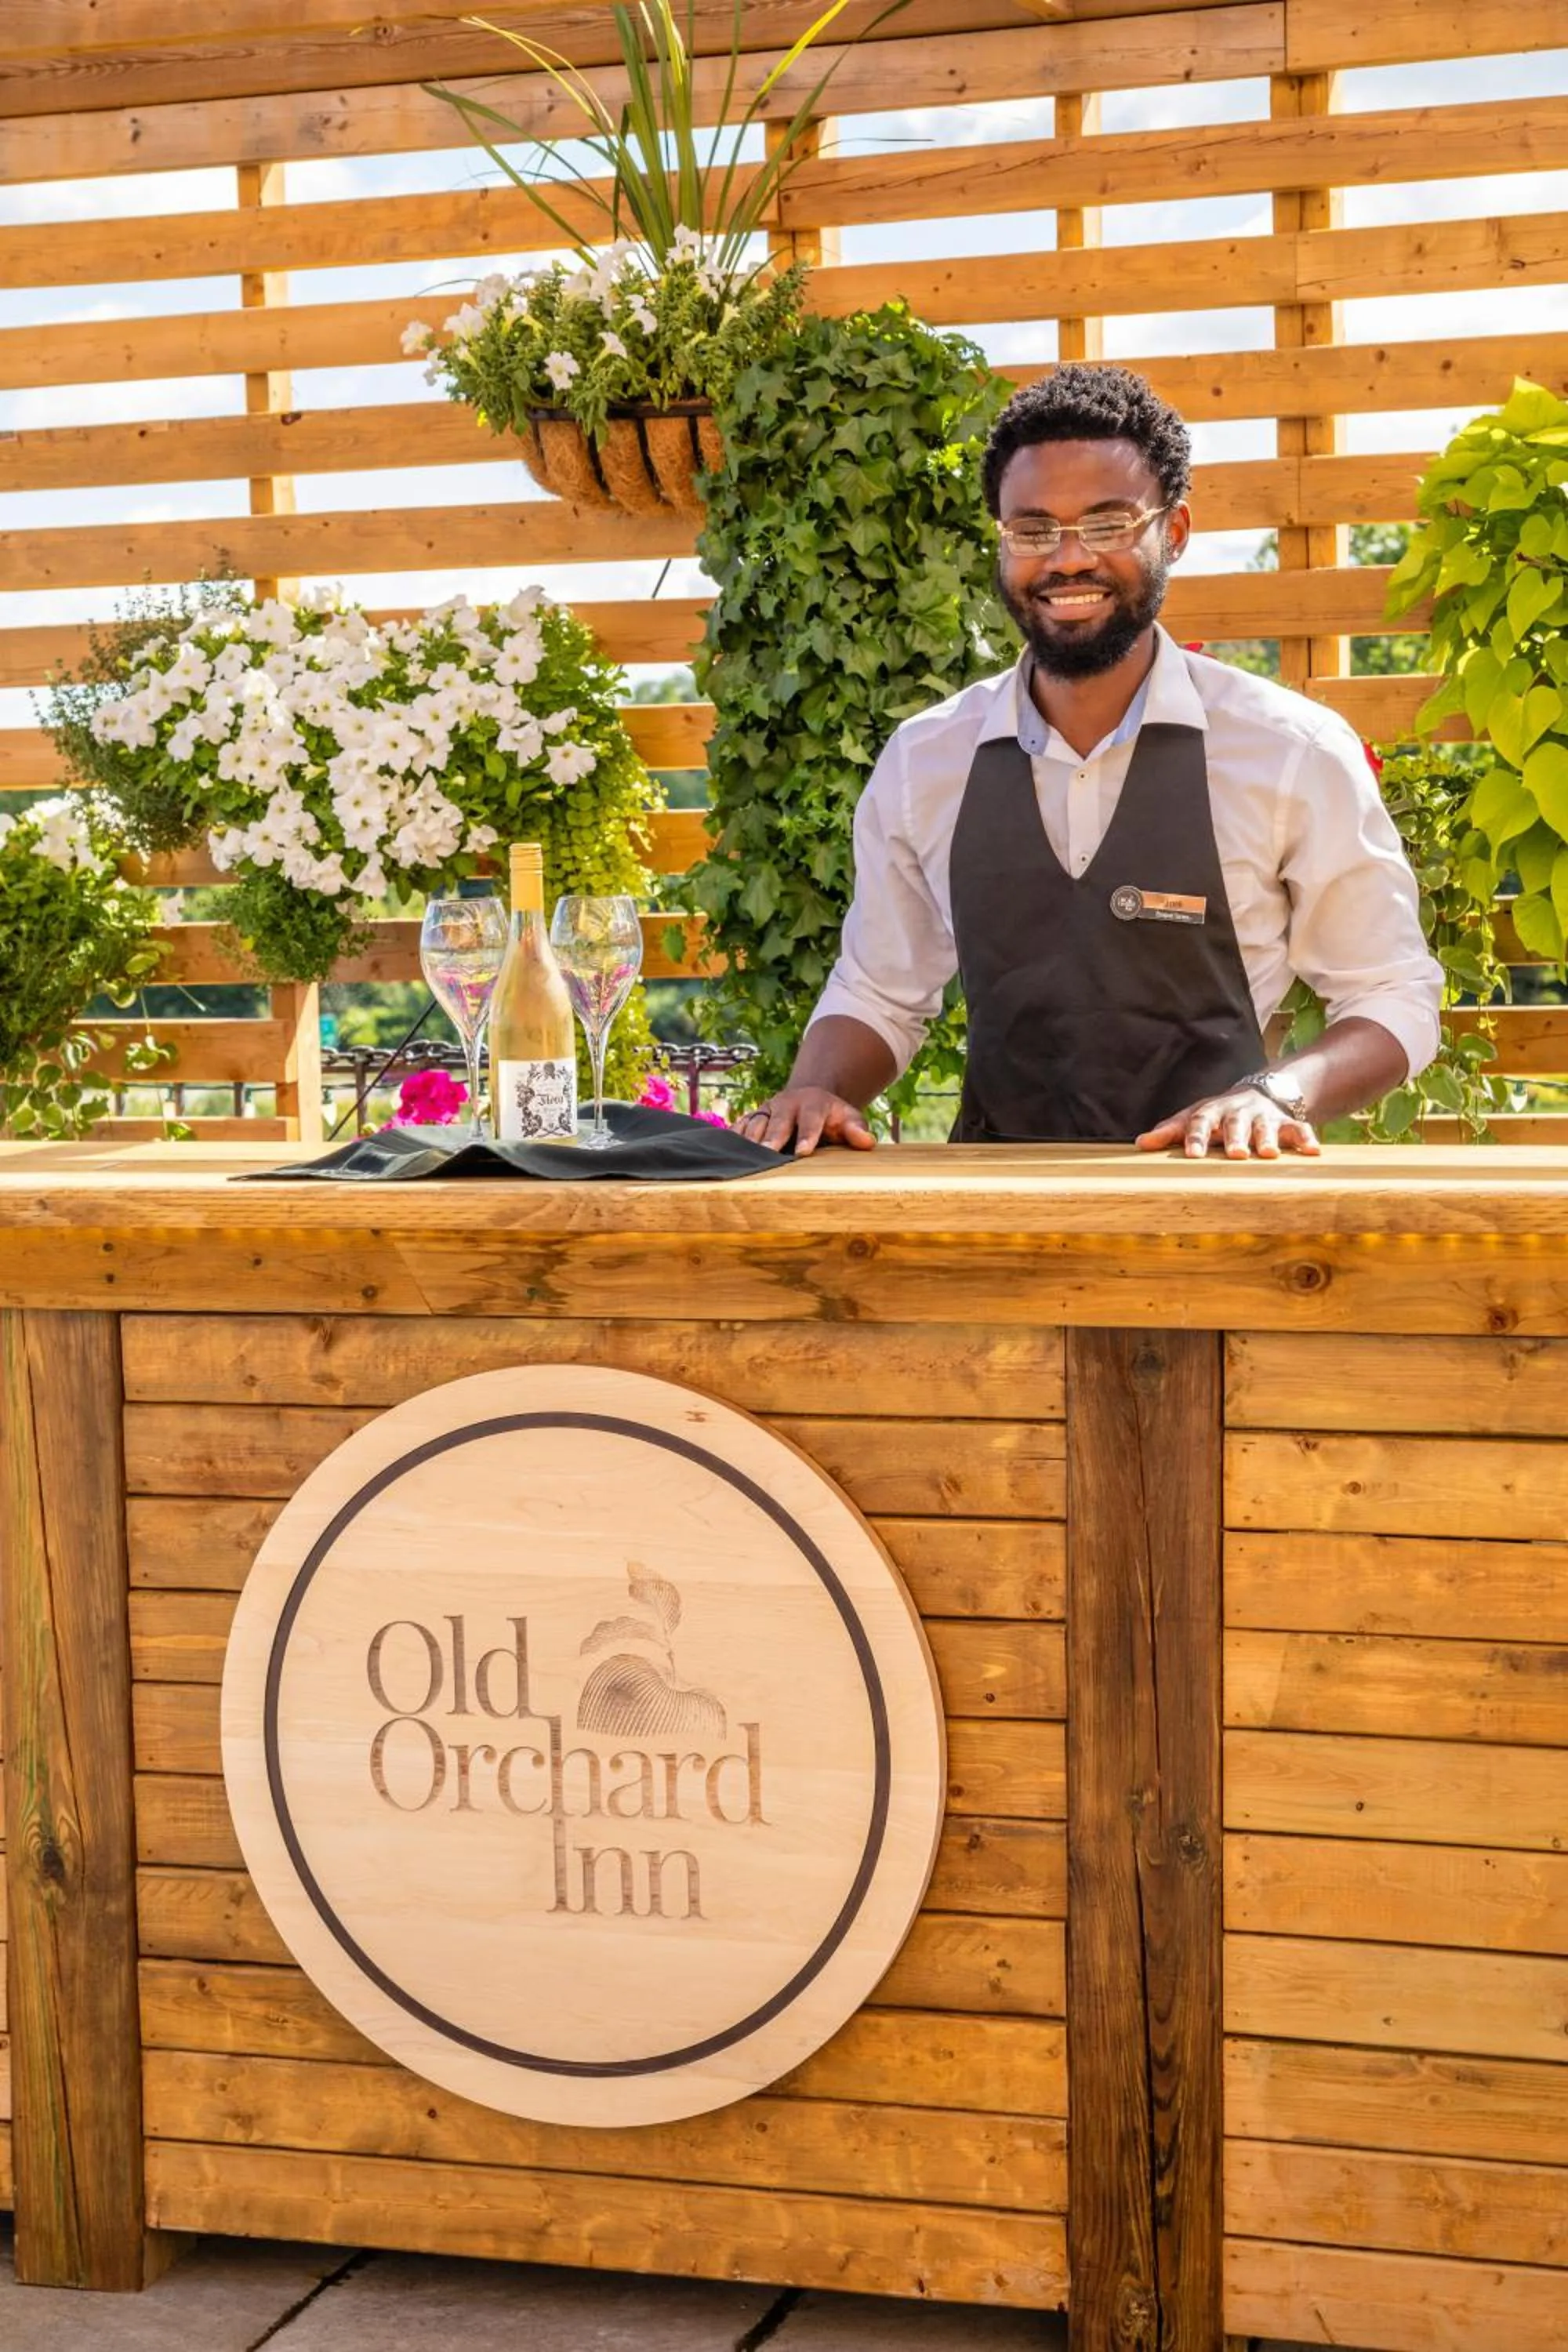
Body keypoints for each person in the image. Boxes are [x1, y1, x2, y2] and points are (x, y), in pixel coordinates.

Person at [736, 363, 1443, 1160]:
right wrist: (815, 1087)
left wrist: (1273, 1095)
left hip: (1221, 1211)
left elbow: (1391, 993)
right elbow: (878, 991)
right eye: (1033, 530)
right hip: (988, 1215)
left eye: (1107, 524)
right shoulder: (924, 761)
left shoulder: (1287, 751)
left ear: (1171, 532)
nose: (1067, 559)